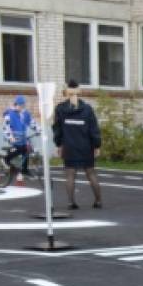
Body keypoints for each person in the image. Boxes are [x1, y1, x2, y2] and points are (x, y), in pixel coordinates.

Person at [51, 80, 103, 209]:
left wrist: (59, 144)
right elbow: (94, 129)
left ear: (66, 92)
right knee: (91, 173)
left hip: (69, 146)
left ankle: (71, 202)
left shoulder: (60, 109)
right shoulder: (87, 109)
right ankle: (98, 201)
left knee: (70, 174)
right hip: (86, 146)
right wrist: (97, 145)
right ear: (79, 91)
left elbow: (57, 129)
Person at [2, 94, 38, 176]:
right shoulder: (9, 114)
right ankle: (6, 159)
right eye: (20, 105)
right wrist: (10, 137)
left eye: (23, 105)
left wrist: (38, 129)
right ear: (16, 104)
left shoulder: (25, 113)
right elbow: (6, 126)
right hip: (12, 136)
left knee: (27, 149)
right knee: (20, 149)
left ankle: (24, 169)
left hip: (22, 137)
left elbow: (31, 122)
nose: (22, 107)